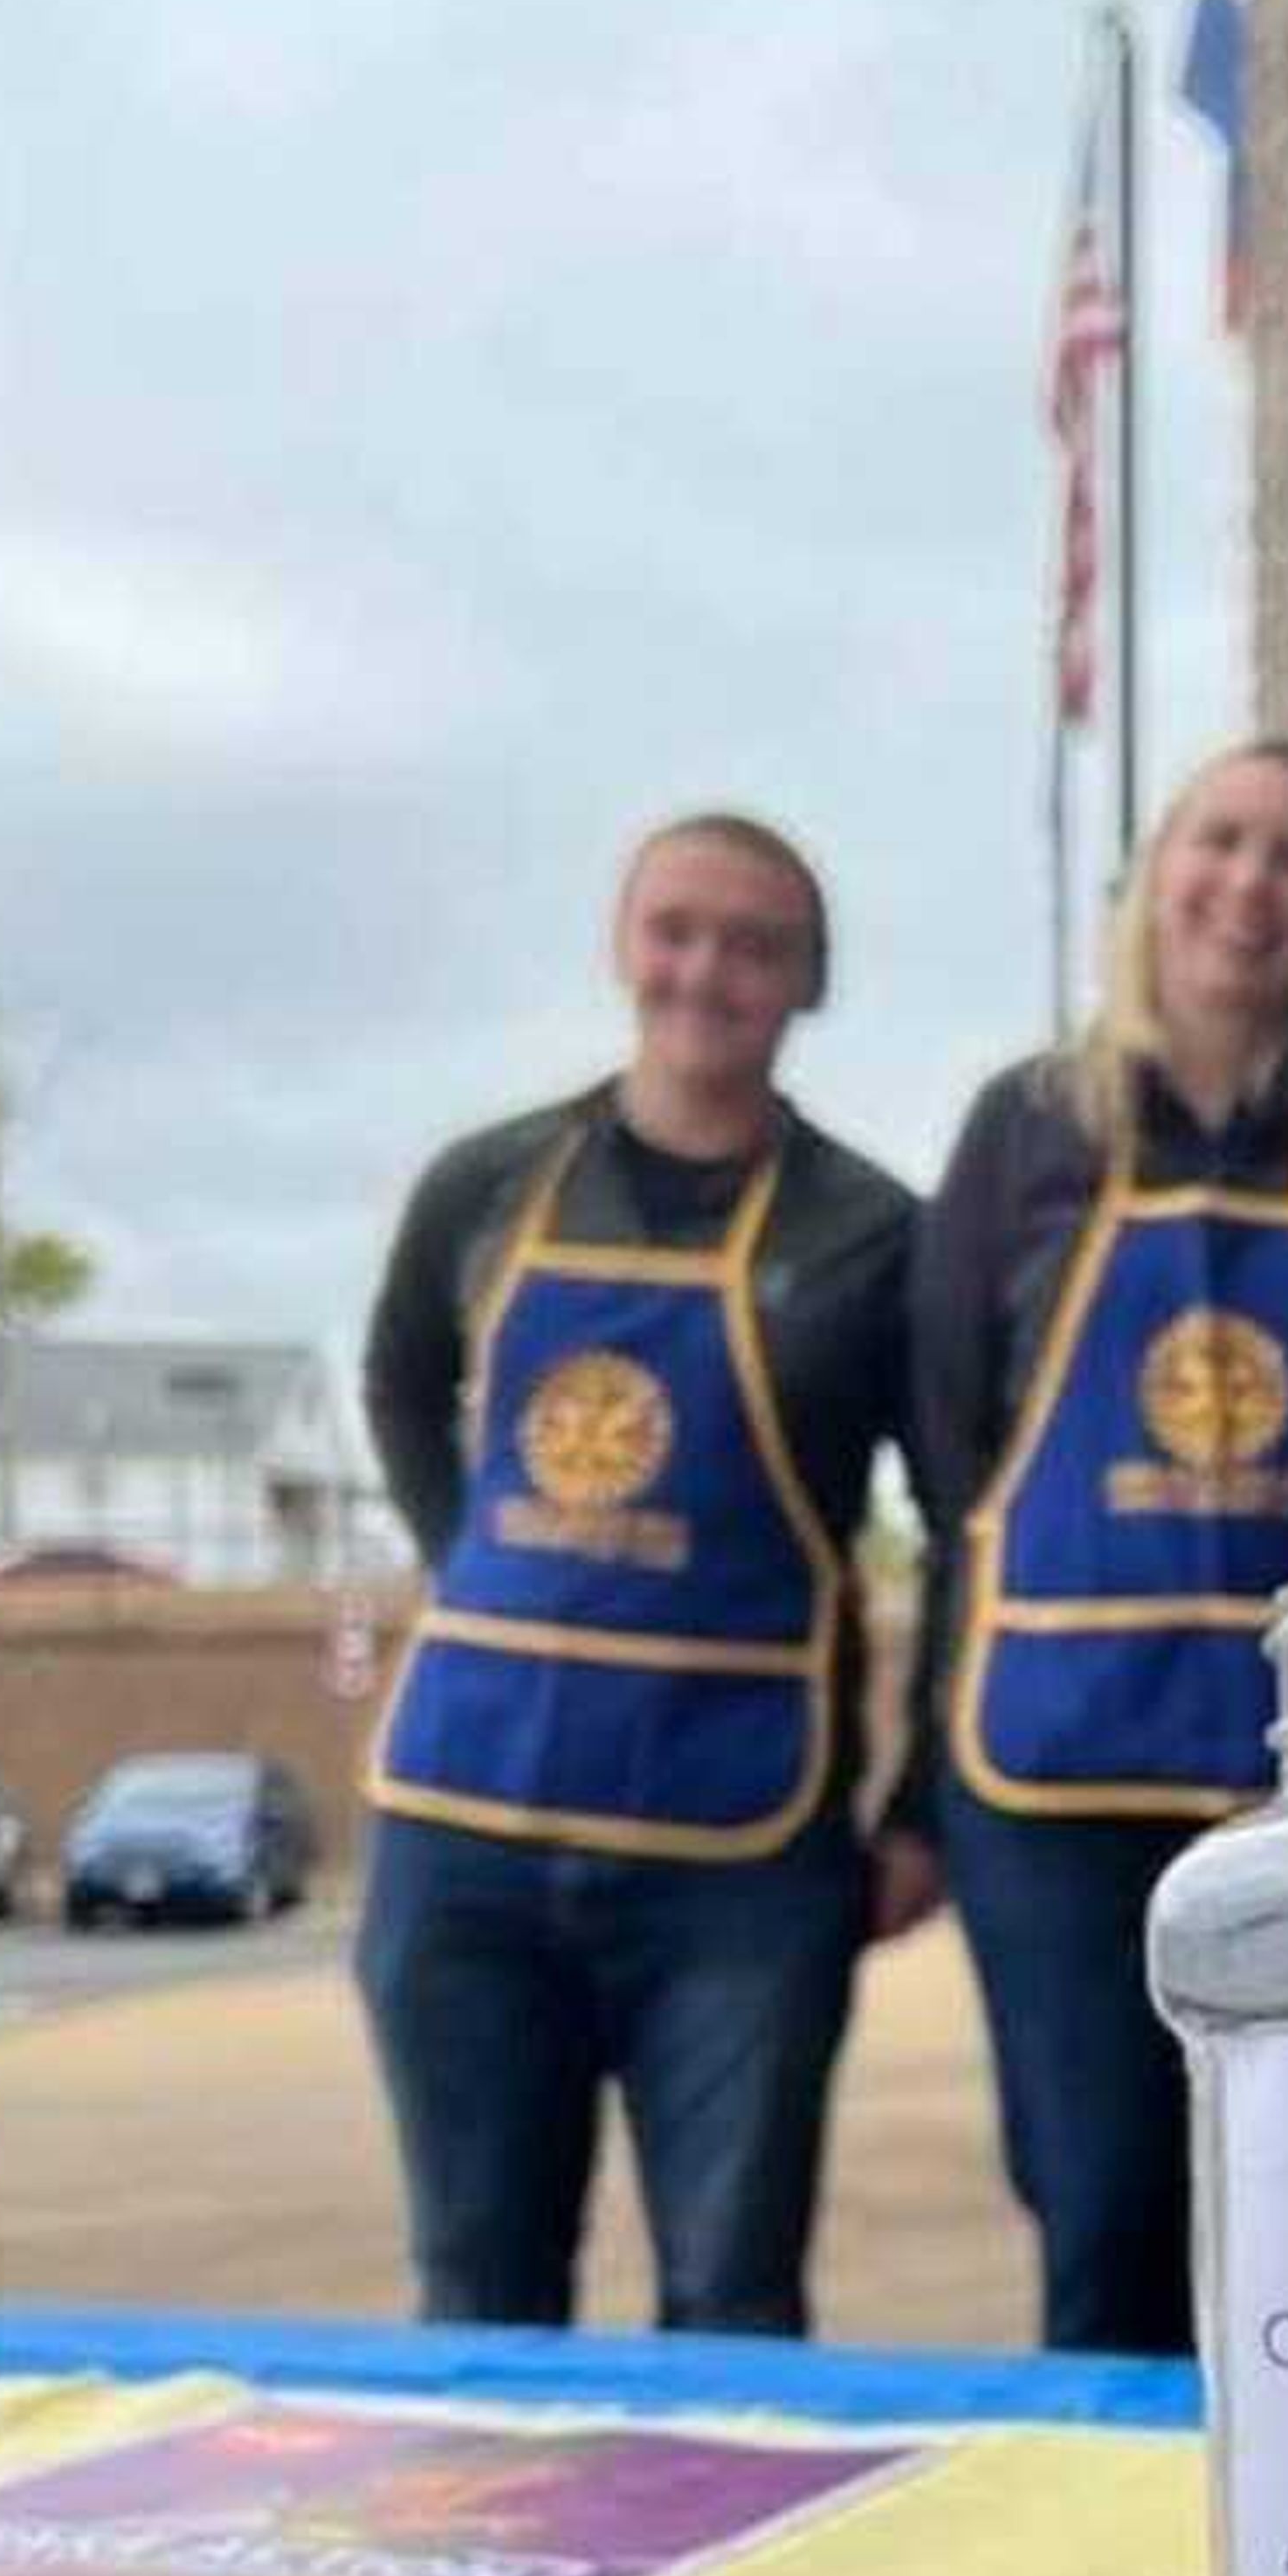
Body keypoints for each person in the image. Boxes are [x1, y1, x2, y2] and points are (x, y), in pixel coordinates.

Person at [914, 741, 1288, 2360]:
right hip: (1051, 1769)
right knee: (1096, 2205)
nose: (1251, 885)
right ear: (1159, 875)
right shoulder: (1026, 1127)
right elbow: (955, 1442)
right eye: (1220, 843)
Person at [359, 813, 934, 2335]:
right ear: (625, 944)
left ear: (810, 983)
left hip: (741, 1868)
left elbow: (964, 1519)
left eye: (757, 945)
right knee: (478, 2296)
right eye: (678, 928)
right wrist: (466, 1560)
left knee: (734, 2299)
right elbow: (402, 1381)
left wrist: (920, 1802)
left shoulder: (875, 1233)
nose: (708, 971)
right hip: (461, 1843)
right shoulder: (482, 1187)